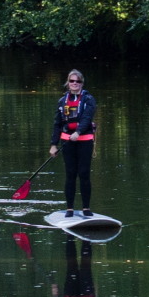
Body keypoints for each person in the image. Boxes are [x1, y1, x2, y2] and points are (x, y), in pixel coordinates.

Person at [48, 69, 97, 217]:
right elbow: (57, 124)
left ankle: (86, 208)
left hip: (85, 141)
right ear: (68, 83)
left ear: (82, 83)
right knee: (70, 174)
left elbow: (87, 118)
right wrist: (53, 144)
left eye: (78, 81)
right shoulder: (62, 101)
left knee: (84, 173)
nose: (75, 83)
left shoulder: (89, 99)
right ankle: (69, 208)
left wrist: (78, 132)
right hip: (67, 141)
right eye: (72, 81)